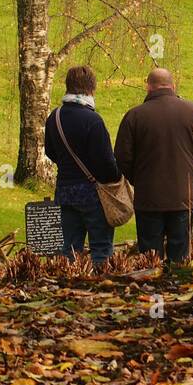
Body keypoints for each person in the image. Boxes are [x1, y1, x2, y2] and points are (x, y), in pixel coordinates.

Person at [115, 68, 193, 264]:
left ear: (148, 87)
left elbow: (122, 157)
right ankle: (177, 290)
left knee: (150, 258)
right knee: (180, 256)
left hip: (148, 197)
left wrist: (139, 179)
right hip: (183, 195)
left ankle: (152, 293)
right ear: (173, 86)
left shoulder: (134, 116)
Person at [44, 65, 120, 268]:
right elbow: (105, 162)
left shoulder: (55, 117)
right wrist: (116, 176)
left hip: (64, 190)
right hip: (92, 194)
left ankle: (65, 287)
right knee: (101, 248)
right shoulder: (93, 120)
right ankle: (99, 290)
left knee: (67, 249)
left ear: (67, 86)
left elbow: (50, 152)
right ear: (91, 89)